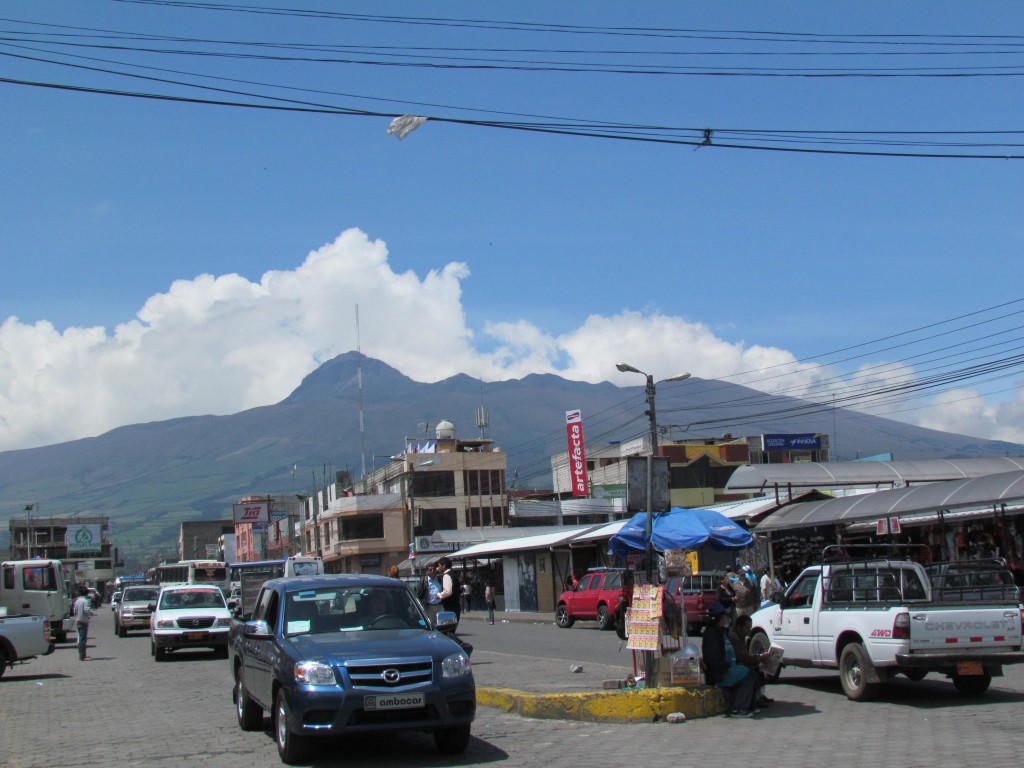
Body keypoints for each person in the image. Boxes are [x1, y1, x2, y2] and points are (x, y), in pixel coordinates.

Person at [701, 602, 757, 717]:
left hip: (729, 668)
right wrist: (724, 667)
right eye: (724, 616)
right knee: (748, 674)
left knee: (752, 671)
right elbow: (713, 659)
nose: (725, 619)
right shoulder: (712, 635)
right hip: (720, 674)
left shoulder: (722, 631)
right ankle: (739, 709)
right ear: (719, 618)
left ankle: (751, 704)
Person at [729, 614, 774, 709]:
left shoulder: (741, 636)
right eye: (747, 627)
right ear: (739, 627)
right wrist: (758, 658)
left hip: (742, 661)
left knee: (760, 669)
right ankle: (755, 699)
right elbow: (741, 657)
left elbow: (745, 656)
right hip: (734, 664)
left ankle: (760, 695)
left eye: (750, 627)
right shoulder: (733, 638)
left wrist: (759, 658)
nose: (749, 630)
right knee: (751, 671)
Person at [73, 586, 94, 661]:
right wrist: (91, 613)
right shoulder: (86, 601)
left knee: (80, 638)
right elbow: (87, 609)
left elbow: (74, 611)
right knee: (83, 639)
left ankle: (83, 654)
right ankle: (82, 656)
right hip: (83, 621)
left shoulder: (77, 601)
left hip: (78, 620)